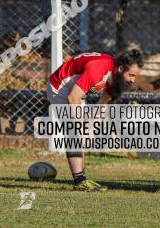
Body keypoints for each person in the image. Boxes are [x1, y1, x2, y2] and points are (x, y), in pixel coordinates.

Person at [46, 50, 143, 191]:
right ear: (121, 69)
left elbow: (103, 103)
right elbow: (72, 98)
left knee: (83, 135)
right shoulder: (98, 69)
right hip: (60, 87)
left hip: (75, 90)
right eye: (131, 75)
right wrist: (80, 128)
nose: (133, 80)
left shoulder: (116, 77)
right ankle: (80, 181)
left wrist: (90, 129)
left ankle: (82, 178)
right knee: (73, 132)